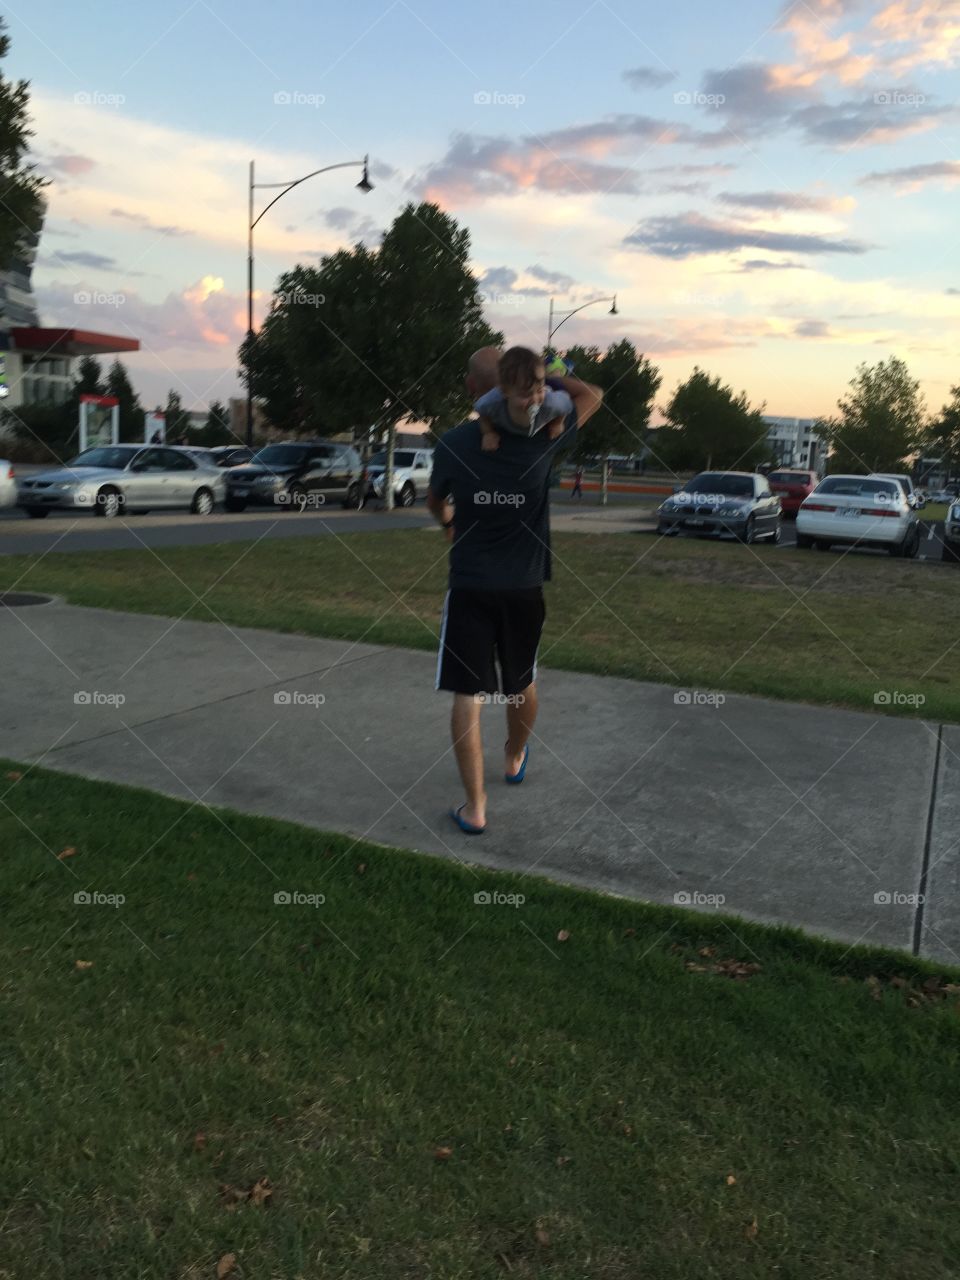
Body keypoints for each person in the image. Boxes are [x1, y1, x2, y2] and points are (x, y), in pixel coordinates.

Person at [427, 345, 603, 835]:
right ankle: (513, 755)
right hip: (525, 585)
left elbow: (436, 501)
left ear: (472, 389)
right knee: (522, 681)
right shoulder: (544, 435)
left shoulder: (455, 442)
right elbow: (593, 395)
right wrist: (552, 376)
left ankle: (475, 808)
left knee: (467, 694)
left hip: (470, 585)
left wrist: (449, 523)